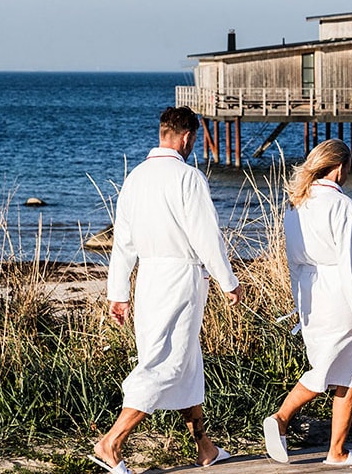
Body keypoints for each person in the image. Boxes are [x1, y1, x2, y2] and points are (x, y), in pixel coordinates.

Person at [91, 106, 244, 474]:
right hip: (181, 279)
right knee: (165, 364)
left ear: (163, 133)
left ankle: (205, 447)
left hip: (148, 280)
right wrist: (228, 281)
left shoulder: (135, 178)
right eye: (193, 140)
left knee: (186, 364)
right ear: (187, 137)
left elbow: (123, 243)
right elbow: (207, 237)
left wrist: (119, 293)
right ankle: (111, 442)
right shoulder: (187, 178)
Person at [262, 139, 352, 466]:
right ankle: (281, 417)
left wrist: (300, 301)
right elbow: (349, 260)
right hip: (338, 294)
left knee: (340, 372)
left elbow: (293, 260)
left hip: (310, 294)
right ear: (338, 167)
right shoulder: (341, 204)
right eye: (349, 167)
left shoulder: (296, 205)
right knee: (335, 371)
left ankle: (337, 451)